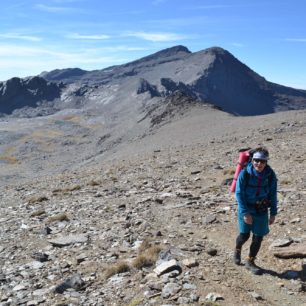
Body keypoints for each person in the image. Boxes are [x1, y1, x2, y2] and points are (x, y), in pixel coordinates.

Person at [234, 147, 278, 275]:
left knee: (258, 237)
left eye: (262, 161)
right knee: (244, 235)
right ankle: (237, 250)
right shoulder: (244, 173)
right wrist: (245, 213)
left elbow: (273, 194)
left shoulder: (270, 175)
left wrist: (273, 213)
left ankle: (250, 261)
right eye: (256, 160)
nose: (259, 164)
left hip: (261, 210)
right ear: (252, 160)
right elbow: (239, 193)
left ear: (266, 162)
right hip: (247, 208)